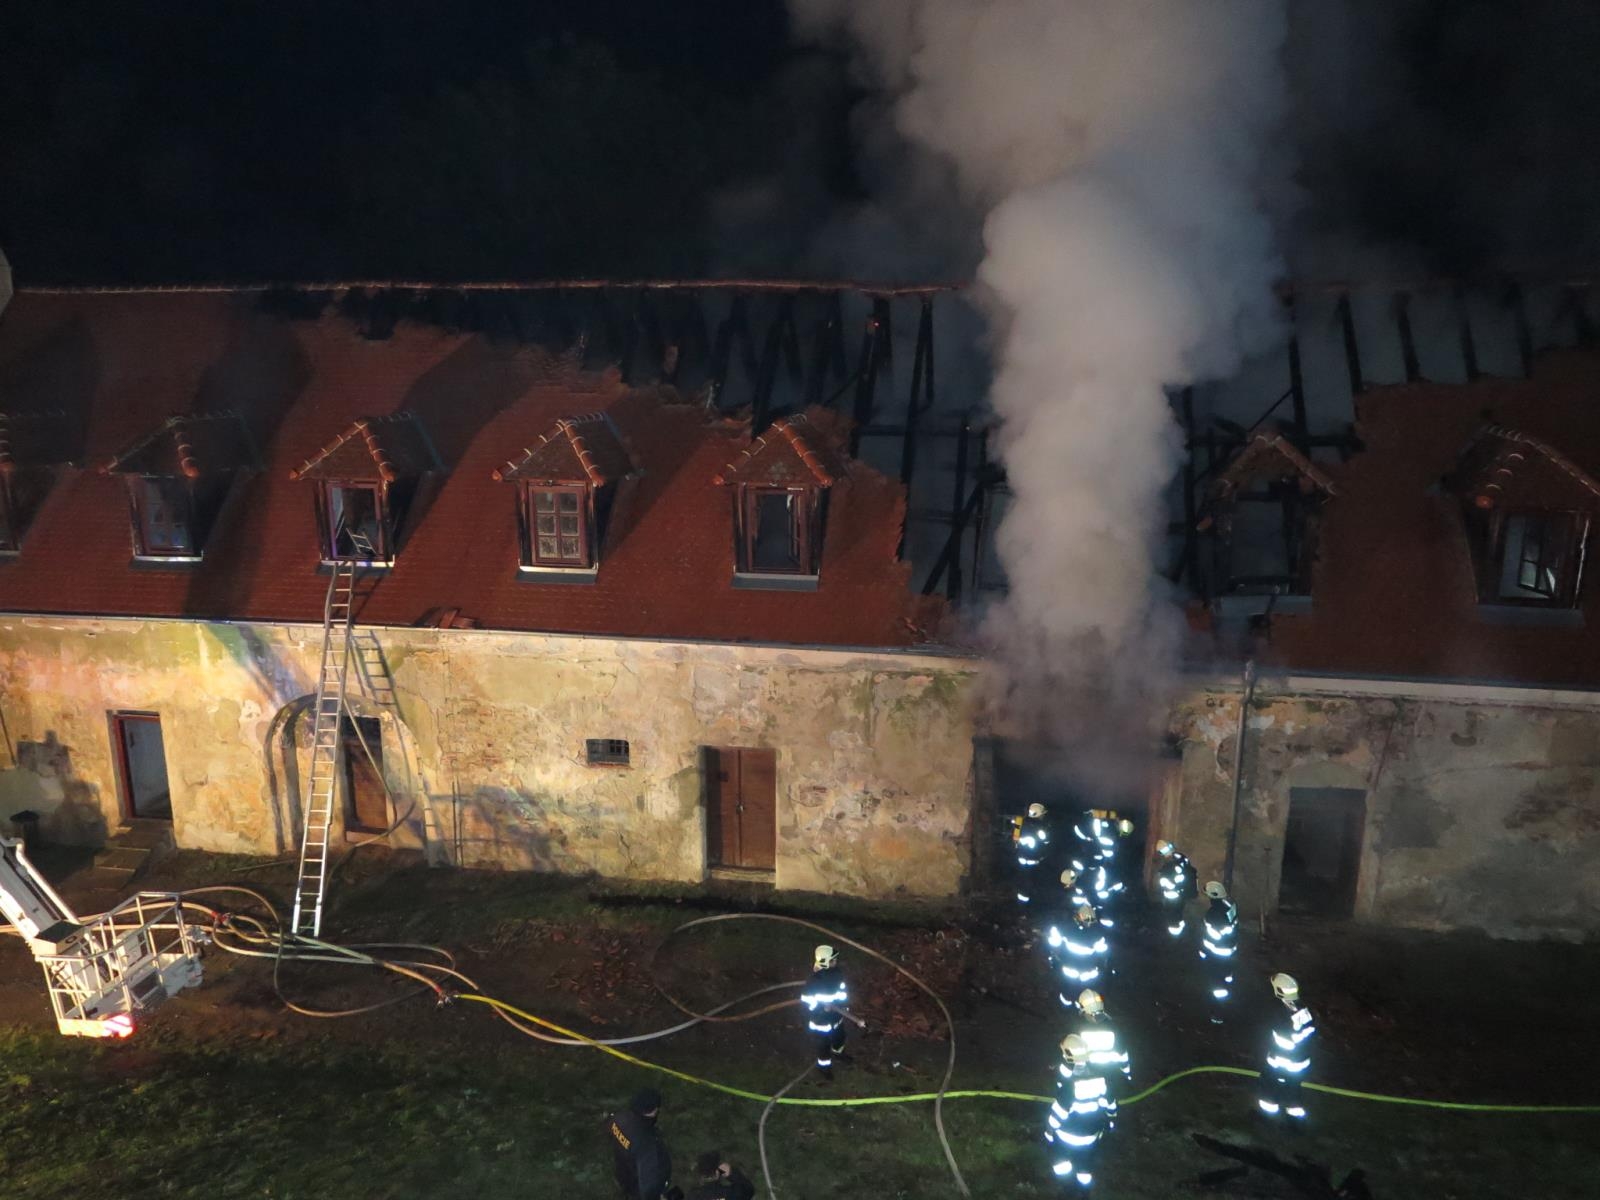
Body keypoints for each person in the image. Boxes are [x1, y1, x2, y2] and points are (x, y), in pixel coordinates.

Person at [1043, 989, 1129, 1194]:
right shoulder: (1101, 1082)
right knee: (1085, 1167)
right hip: (1092, 1134)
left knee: (1061, 1162)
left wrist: (1048, 1132)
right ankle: (1083, 1191)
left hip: (1067, 1135)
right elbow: (1110, 1104)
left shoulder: (1069, 1086)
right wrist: (1110, 1122)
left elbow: (1058, 1113)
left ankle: (1066, 1189)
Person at [1258, 972, 1316, 1122]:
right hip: (1301, 1062)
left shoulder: (1281, 1015)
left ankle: (1267, 1118)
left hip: (1282, 1061)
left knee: (1269, 1087)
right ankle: (1295, 1121)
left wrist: (1272, 1057)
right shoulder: (1303, 1009)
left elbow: (1282, 1041)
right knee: (1293, 1090)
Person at [607, 1088, 682, 1200]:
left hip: (622, 1175)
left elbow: (610, 1133)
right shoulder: (646, 1143)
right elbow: (648, 1182)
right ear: (654, 1110)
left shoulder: (618, 1119)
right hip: (637, 1187)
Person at [1045, 903, 1108, 1009]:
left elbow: (1102, 954)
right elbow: (1102, 955)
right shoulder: (1095, 934)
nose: (1088, 924)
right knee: (1070, 994)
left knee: (1078, 994)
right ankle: (1069, 1007)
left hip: (1083, 973)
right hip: (1076, 973)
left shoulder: (1066, 929)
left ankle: (1075, 1007)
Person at [801, 943, 849, 1080]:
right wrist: (820, 1008)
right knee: (823, 1045)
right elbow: (806, 1000)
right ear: (826, 962)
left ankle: (839, 1053)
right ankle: (824, 1067)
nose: (836, 961)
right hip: (820, 1021)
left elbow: (842, 992)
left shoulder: (838, 974)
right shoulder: (814, 981)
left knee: (840, 1037)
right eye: (833, 960)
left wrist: (843, 1007)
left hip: (837, 1016)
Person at [1199, 881, 1239, 1018]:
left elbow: (1211, 939)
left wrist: (1203, 952)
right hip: (1231, 951)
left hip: (1217, 955)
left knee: (1217, 985)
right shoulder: (1230, 905)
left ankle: (1218, 1014)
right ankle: (1229, 998)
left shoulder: (1213, 915)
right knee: (1227, 977)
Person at [1153, 840, 1197, 937]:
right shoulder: (1182, 858)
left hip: (1172, 896)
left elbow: (1166, 883)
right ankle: (1180, 932)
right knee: (1179, 913)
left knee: (1173, 916)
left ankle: (1173, 935)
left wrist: (1162, 879)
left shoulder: (1168, 866)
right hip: (1183, 893)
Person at [1014, 803, 1051, 904]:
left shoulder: (1022, 824)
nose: (1043, 816)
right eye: (1042, 814)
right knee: (1032, 884)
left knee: (1023, 883)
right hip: (1033, 862)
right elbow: (1046, 841)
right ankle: (1030, 906)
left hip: (1021, 859)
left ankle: (1021, 906)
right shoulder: (1040, 829)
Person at [689, 1151, 756, 1200]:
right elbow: (748, 1190)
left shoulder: (693, 1196)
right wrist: (732, 1174)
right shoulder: (732, 1193)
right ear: (718, 1173)